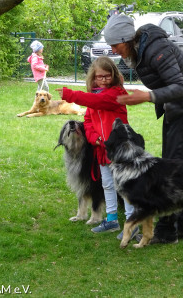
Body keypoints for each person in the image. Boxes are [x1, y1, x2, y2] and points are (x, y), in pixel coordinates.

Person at [103, 14, 183, 244]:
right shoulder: (142, 51)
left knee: (173, 171)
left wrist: (148, 96)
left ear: (127, 38)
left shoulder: (155, 49)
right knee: (178, 167)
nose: (114, 50)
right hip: (178, 111)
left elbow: (180, 87)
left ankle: (167, 231)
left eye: (115, 45)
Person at [55, 56, 138, 240]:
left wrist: (70, 95)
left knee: (124, 186)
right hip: (102, 149)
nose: (103, 79)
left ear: (114, 76)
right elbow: (88, 121)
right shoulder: (95, 96)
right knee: (107, 185)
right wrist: (95, 139)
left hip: (119, 149)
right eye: (99, 76)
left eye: (107, 76)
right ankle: (111, 220)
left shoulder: (116, 94)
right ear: (93, 77)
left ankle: (133, 224)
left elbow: (96, 102)